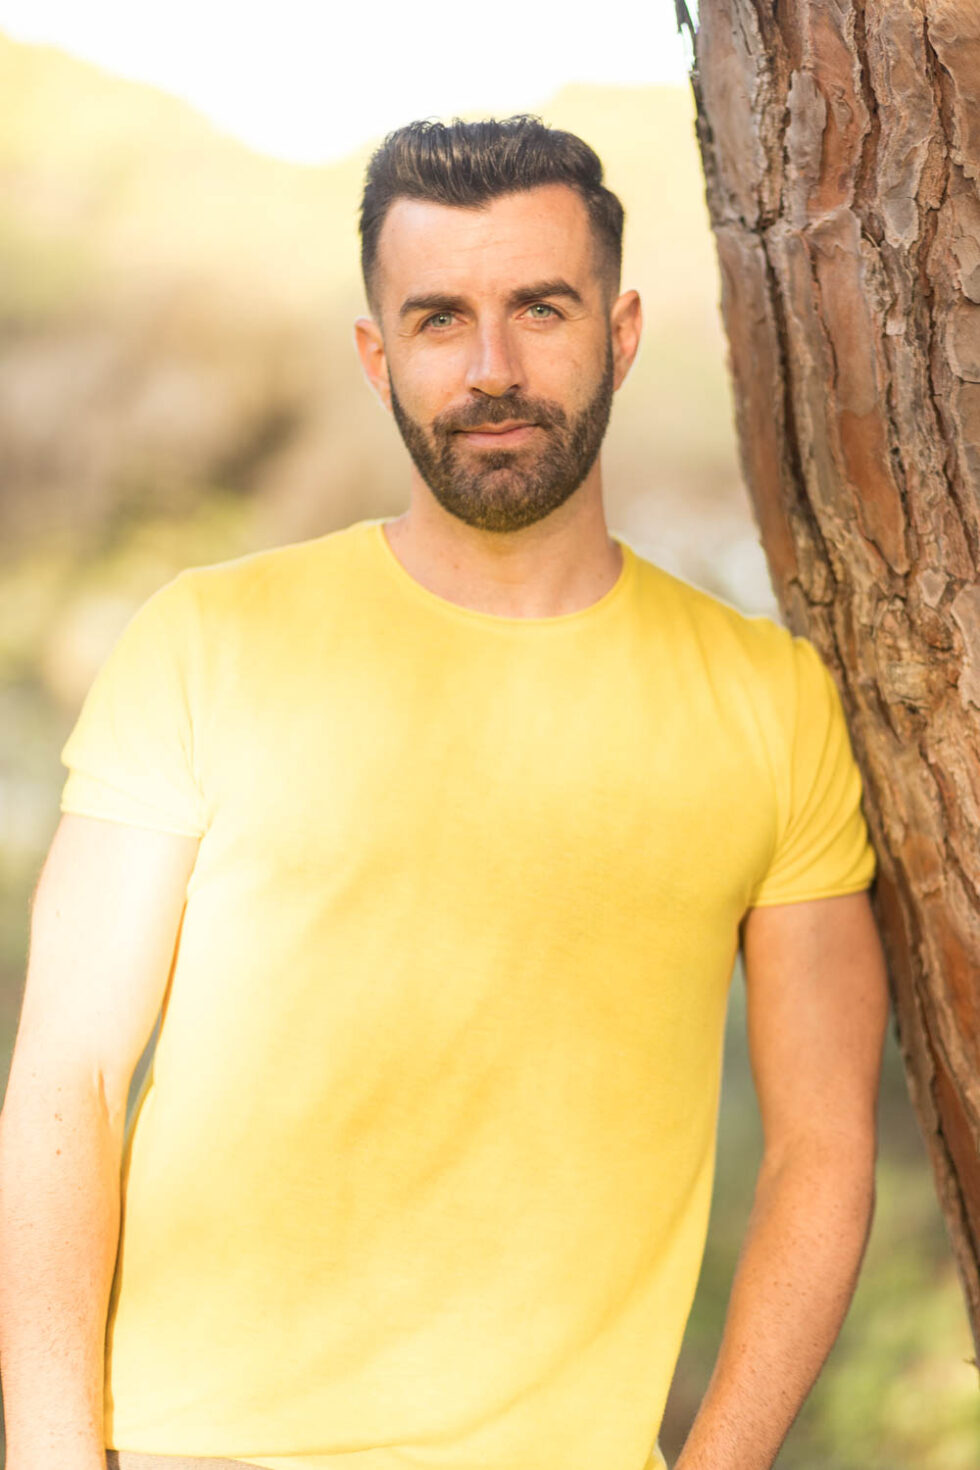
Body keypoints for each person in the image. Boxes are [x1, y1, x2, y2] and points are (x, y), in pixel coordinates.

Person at [0, 116, 889, 1470]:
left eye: (541, 308)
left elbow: (822, 1149)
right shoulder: (208, 642)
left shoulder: (768, 704)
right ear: (378, 354)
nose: (492, 370)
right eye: (438, 318)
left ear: (622, 327)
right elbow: (69, 1073)